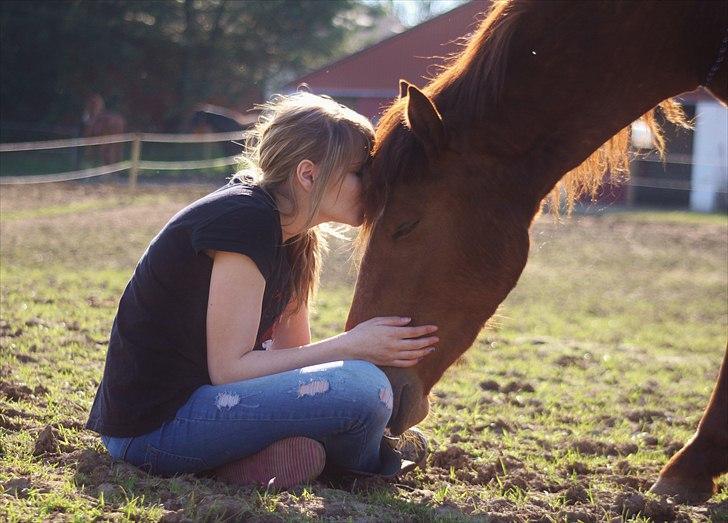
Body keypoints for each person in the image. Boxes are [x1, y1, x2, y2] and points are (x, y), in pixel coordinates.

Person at [84, 92, 439, 489]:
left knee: (365, 384)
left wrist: (360, 355)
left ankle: (253, 463)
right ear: (308, 174)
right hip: (152, 429)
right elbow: (230, 370)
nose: (373, 186)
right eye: (360, 172)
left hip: (207, 410)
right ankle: (366, 463)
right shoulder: (245, 219)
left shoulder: (295, 237)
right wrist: (353, 346)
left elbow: (292, 363)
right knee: (363, 387)